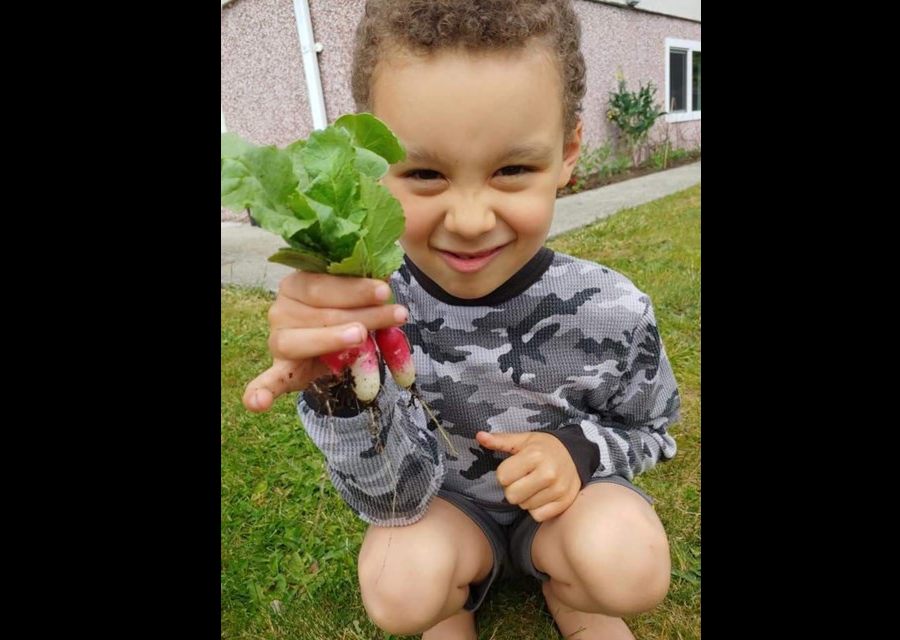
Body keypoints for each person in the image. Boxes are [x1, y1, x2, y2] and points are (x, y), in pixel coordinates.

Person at [243, 2, 680, 638]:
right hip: (440, 510)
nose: (471, 219)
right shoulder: (368, 312)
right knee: (401, 586)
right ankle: (450, 605)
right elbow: (383, 495)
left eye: (513, 169)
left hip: (567, 514)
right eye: (424, 173)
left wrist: (580, 450)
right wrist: (339, 386)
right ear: (370, 167)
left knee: (630, 563)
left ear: (568, 152)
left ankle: (574, 593)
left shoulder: (614, 308)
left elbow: (653, 428)